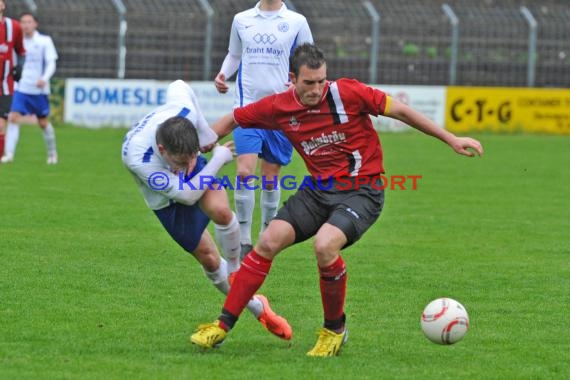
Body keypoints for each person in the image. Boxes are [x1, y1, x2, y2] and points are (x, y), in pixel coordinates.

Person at [190, 44, 484, 356]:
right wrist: (199, 148)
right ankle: (221, 326)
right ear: (292, 79)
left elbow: (400, 110)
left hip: (363, 192)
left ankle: (334, 330)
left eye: (321, 81)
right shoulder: (278, 106)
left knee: (325, 245)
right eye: (309, 83)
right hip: (318, 191)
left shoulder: (348, 93)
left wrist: (451, 138)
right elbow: (233, 119)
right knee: (267, 242)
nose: (317, 89)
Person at [121, 80, 292, 342]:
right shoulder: (138, 157)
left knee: (221, 211)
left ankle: (236, 272)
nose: (189, 165)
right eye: (181, 162)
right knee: (210, 260)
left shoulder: (182, 109)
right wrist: (219, 158)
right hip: (166, 201)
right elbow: (186, 195)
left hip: (191, 171)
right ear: (163, 151)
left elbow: (180, 84)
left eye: (192, 157)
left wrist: (204, 133)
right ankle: (259, 308)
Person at [214, 0, 313, 258]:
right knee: (245, 172)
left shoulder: (296, 22)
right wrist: (223, 74)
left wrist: (299, 86)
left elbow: (308, 59)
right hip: (247, 107)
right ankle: (244, 237)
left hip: (282, 111)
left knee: (270, 177)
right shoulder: (242, 19)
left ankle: (267, 234)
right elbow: (235, 55)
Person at [1, 12, 57, 164]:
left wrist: (44, 79)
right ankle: (9, 154)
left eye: (29, 22)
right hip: (21, 87)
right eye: (23, 22)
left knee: (43, 122)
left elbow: (51, 63)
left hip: (39, 89)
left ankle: (52, 154)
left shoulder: (44, 41)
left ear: (35, 24)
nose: (25, 25)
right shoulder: (16, 40)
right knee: (13, 118)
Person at [0, 0, 25, 159]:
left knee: (1, 124)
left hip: (5, 86)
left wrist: (19, 68)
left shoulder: (14, 27)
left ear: (3, 5)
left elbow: (21, 51)